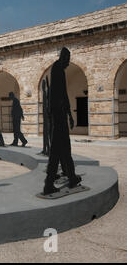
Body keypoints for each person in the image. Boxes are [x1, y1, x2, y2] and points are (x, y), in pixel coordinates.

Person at [43, 48, 82, 195]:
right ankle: (48, 184)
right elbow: (59, 94)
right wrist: (62, 114)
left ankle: (72, 177)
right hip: (59, 116)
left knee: (65, 149)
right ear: (63, 57)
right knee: (57, 151)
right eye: (67, 58)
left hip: (60, 115)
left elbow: (63, 94)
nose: (68, 61)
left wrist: (70, 115)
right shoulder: (57, 69)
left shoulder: (59, 69)